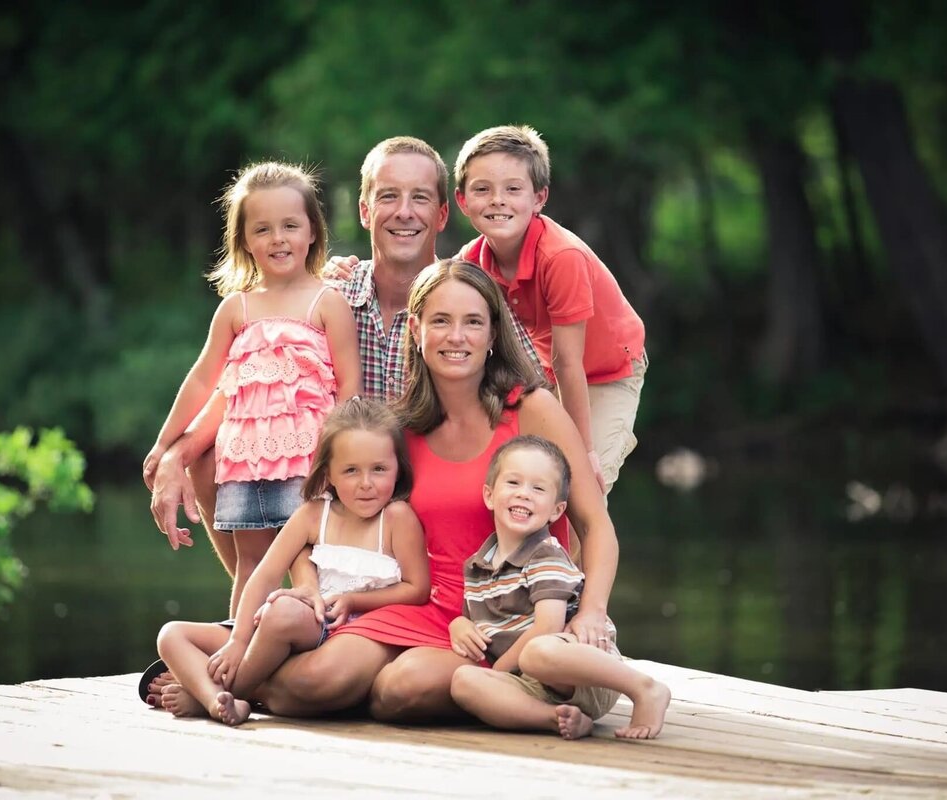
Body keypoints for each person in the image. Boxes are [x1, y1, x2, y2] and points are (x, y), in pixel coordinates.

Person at [208, 259, 621, 722]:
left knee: (397, 690)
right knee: (317, 679)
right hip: (427, 604)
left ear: (492, 335)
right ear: (417, 331)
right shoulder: (401, 429)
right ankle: (233, 681)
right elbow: (322, 514)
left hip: (512, 612)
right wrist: (305, 582)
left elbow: (595, 522)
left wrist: (590, 612)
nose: (456, 337)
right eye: (440, 321)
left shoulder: (531, 409)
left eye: (472, 322)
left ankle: (222, 681)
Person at [142, 161, 360, 615]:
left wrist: (340, 460)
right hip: (243, 462)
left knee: (306, 561)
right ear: (244, 240)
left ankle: (306, 650)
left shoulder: (327, 302)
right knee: (251, 564)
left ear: (313, 232)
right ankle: (236, 652)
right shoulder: (236, 308)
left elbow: (349, 387)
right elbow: (205, 377)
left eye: (290, 226)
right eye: (262, 229)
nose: (278, 238)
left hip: (307, 459)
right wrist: (165, 444)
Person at [154, 398, 427, 725]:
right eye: (351, 470)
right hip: (307, 624)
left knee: (282, 612)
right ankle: (218, 697)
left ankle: (219, 696)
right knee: (171, 635)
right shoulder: (314, 514)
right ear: (329, 474)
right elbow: (265, 575)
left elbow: (417, 589)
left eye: (379, 469)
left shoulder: (397, 518)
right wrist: (240, 640)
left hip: (349, 633)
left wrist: (354, 599)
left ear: (398, 468)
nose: (366, 483)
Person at [454, 125, 648, 496]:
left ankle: (583, 552)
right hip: (547, 370)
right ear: (463, 201)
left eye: (513, 189)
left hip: (608, 369)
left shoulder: (561, 258)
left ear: (539, 197)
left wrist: (584, 451)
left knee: (582, 486)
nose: (498, 200)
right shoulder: (472, 260)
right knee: (522, 481)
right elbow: (435, 292)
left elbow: (568, 364)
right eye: (482, 189)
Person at [447, 435, 671, 740]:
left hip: (581, 672)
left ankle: (642, 687)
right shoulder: (476, 566)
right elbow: (471, 617)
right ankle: (557, 719)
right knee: (463, 680)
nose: (524, 494)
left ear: (556, 510)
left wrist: (498, 670)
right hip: (533, 685)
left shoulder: (545, 554)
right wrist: (458, 625)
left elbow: (548, 627)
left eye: (538, 488)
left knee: (537, 651)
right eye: (513, 483)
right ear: (489, 495)